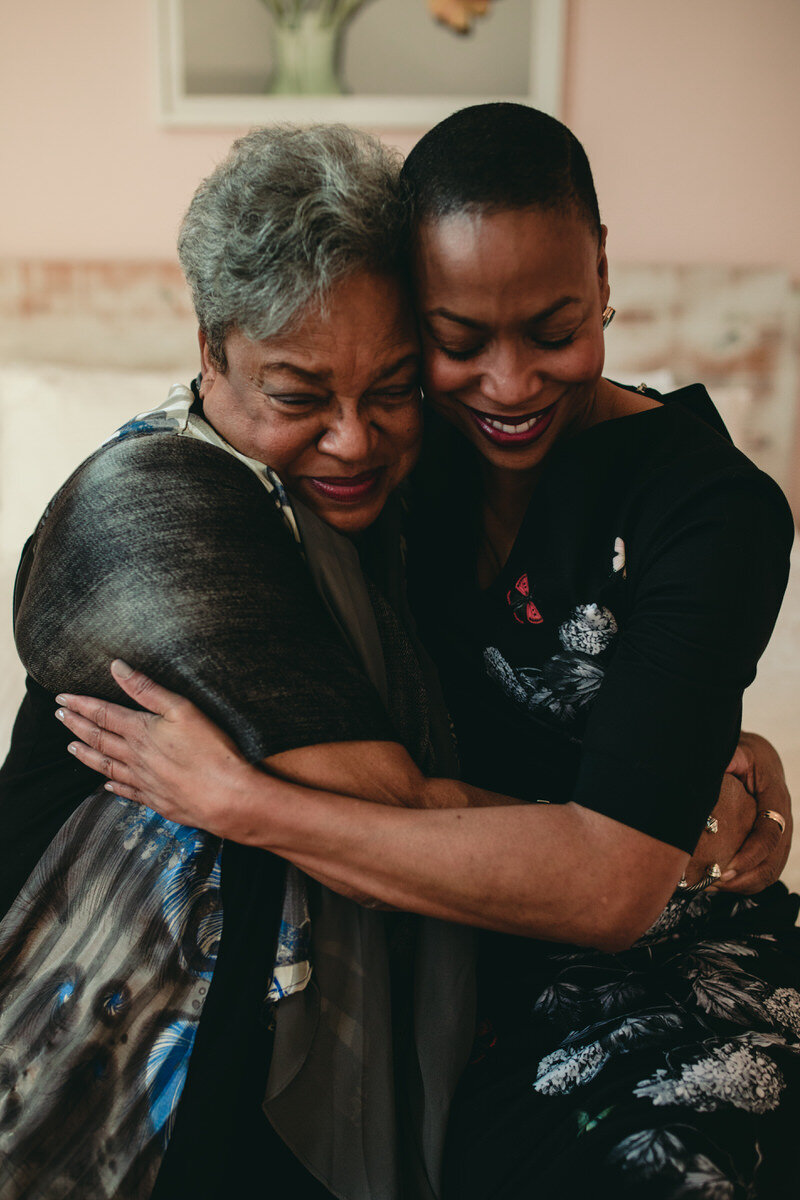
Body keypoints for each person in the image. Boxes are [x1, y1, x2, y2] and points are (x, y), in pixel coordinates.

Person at [58, 104, 800, 1199]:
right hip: (456, 984)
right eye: (455, 345)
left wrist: (249, 805)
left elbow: (609, 886)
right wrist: (669, 776)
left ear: (601, 273)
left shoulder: (701, 506)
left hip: (660, 978)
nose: (506, 386)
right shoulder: (385, 467)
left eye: (552, 331)